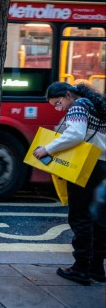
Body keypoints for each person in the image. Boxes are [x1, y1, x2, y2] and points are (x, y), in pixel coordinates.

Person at [33, 82, 106, 285]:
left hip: (85, 167)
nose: (59, 108)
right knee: (98, 218)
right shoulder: (96, 105)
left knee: (80, 217)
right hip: (102, 165)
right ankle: (97, 268)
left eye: (58, 103)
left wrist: (46, 149)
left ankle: (81, 268)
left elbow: (75, 134)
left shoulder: (78, 106)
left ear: (67, 94)